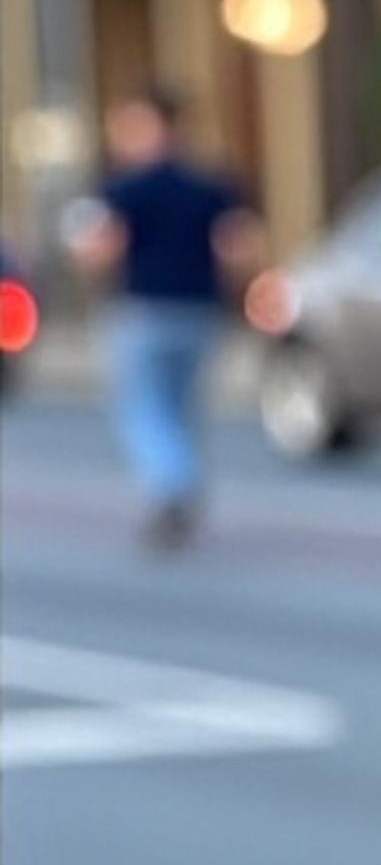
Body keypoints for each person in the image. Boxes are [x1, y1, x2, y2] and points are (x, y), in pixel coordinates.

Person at [69, 91, 260, 548]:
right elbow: (241, 247)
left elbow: (101, 248)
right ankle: (181, 482)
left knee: (145, 409)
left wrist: (86, 265)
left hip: (144, 308)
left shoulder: (124, 188)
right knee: (182, 407)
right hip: (199, 310)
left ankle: (171, 484)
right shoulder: (214, 184)